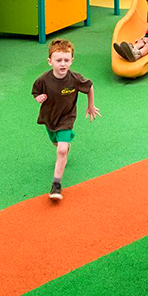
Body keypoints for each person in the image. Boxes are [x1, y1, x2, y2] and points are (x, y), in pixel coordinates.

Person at [32, 39, 99, 201]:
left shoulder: (74, 79)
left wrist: (90, 105)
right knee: (57, 144)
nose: (63, 64)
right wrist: (38, 97)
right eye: (58, 60)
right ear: (50, 61)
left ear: (71, 61)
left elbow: (89, 87)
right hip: (49, 118)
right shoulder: (43, 79)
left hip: (67, 118)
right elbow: (35, 92)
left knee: (61, 150)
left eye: (66, 60)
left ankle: (56, 184)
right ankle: (64, 143)